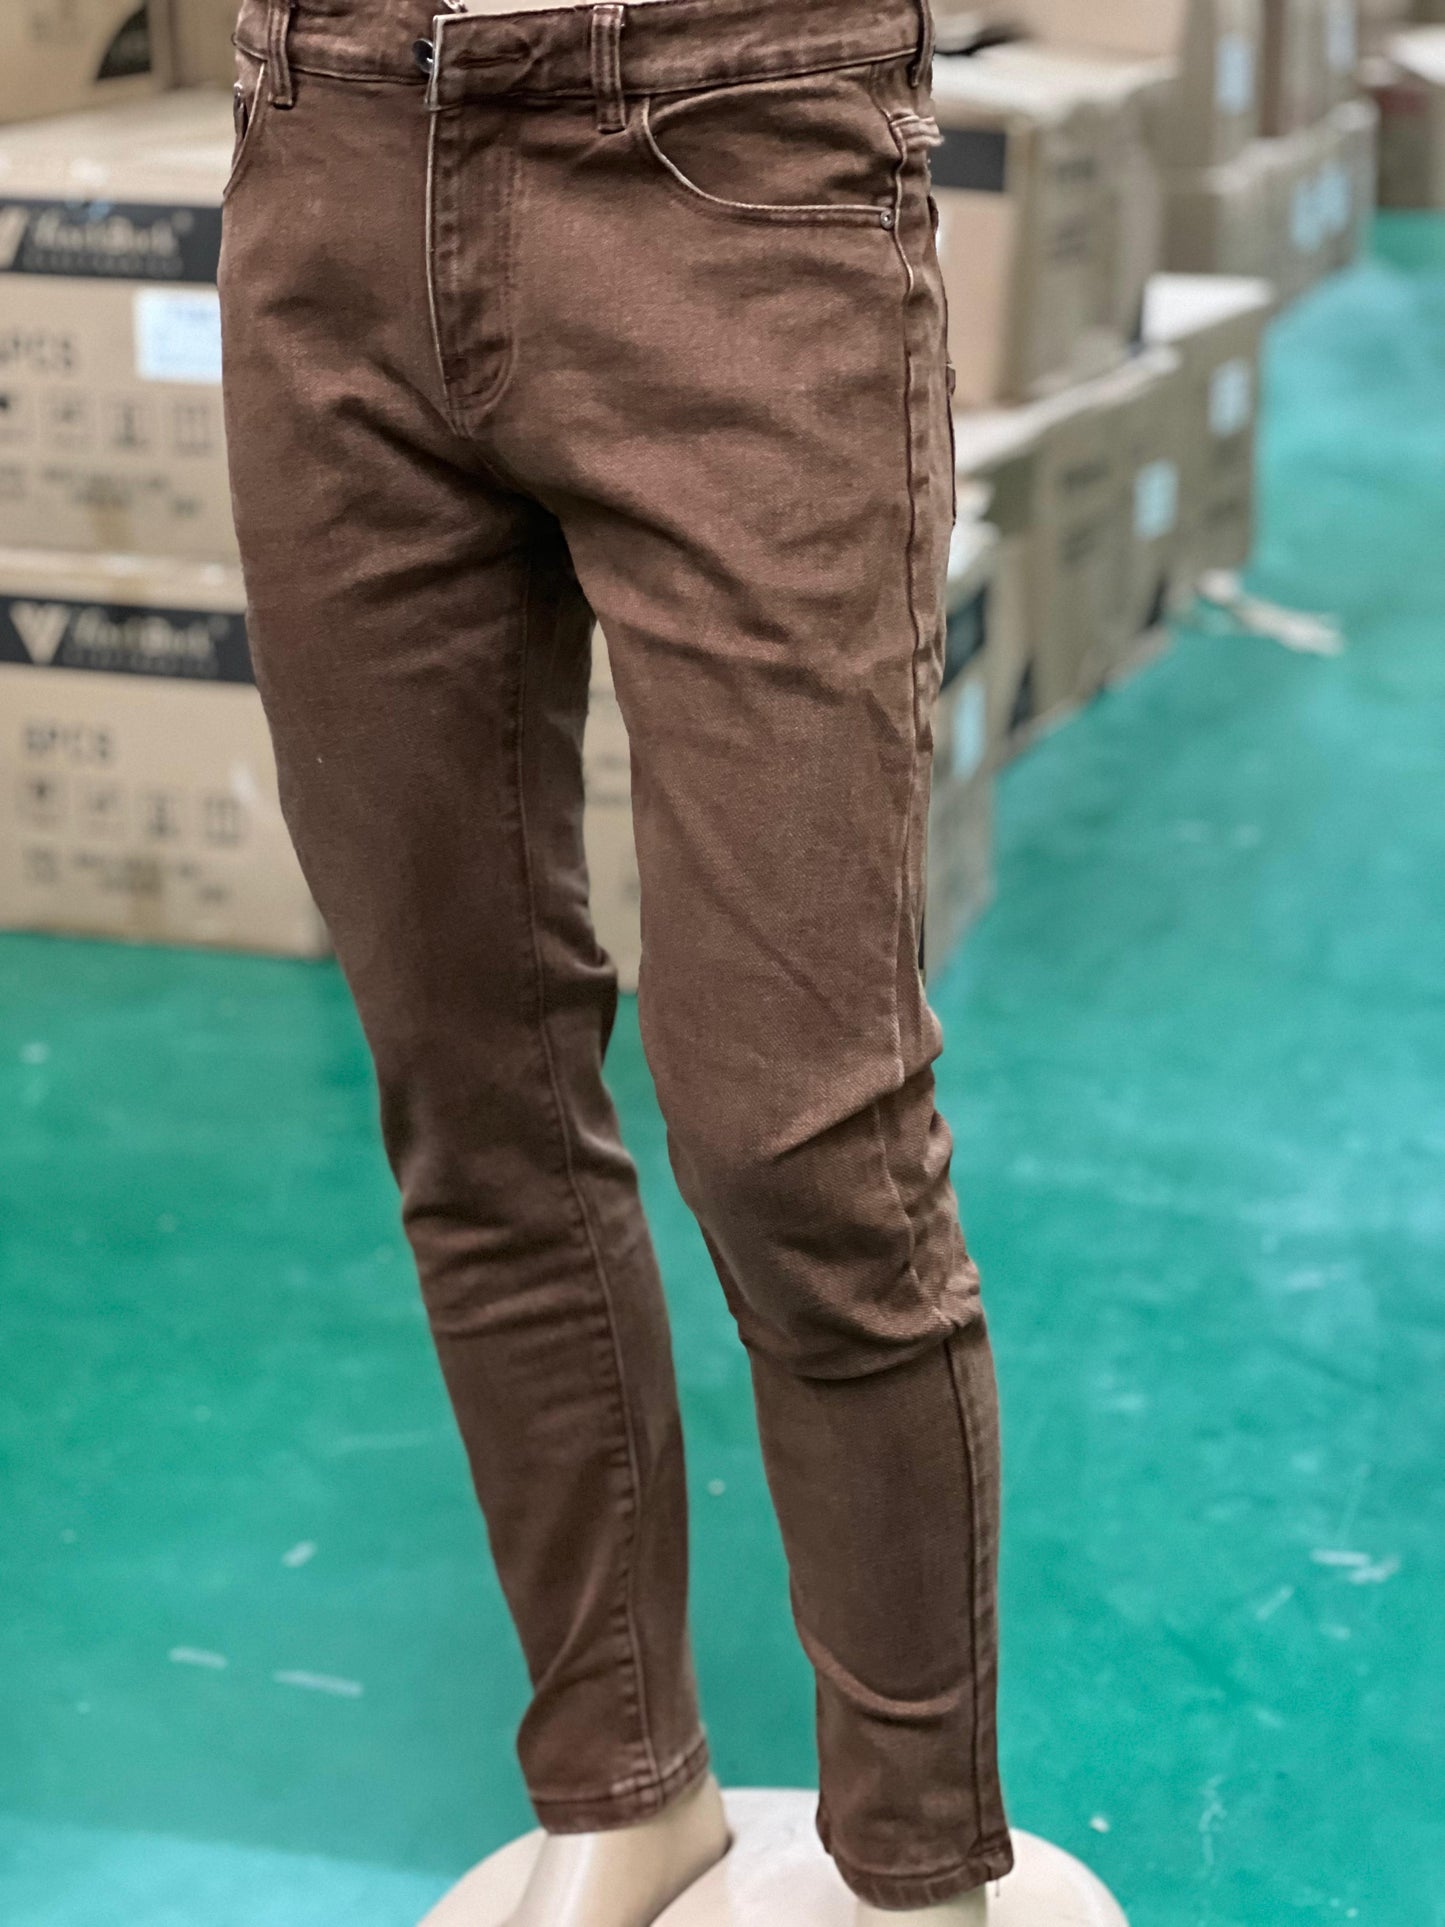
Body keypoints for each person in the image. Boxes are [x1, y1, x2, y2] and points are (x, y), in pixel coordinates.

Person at [220, 0, 1017, 1917]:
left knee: (798, 1141)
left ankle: (917, 1863)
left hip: (731, 155)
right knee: (466, 1089)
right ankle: (620, 1779)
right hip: (328, 142)